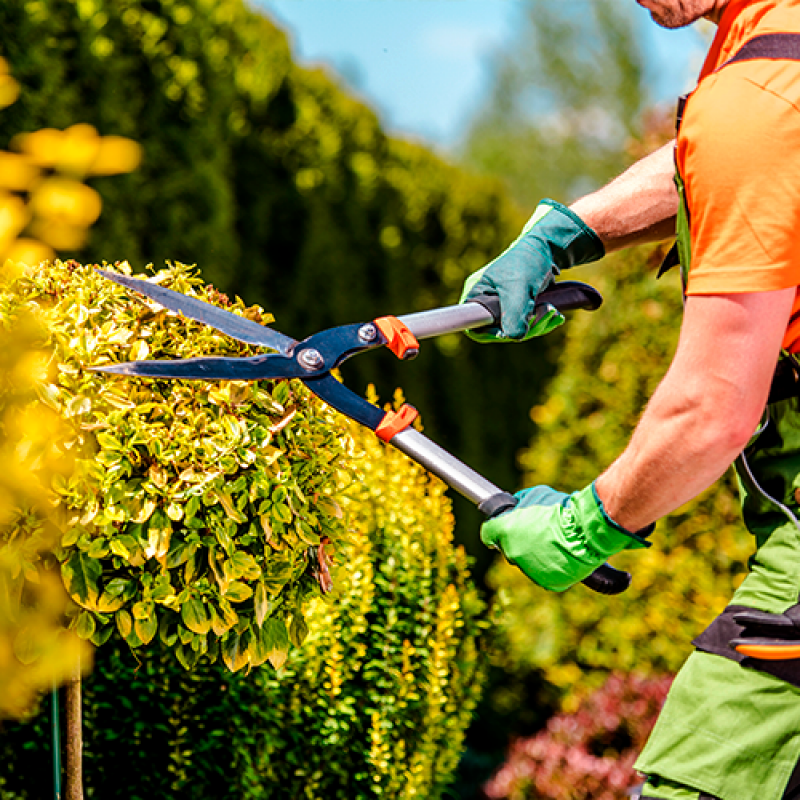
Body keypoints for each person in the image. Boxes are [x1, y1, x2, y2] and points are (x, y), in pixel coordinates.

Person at [460, 1, 800, 798]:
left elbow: (712, 409)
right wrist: (568, 232)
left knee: (697, 777)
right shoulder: (774, 47)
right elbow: (728, 159)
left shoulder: (759, 92)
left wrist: (584, 528)